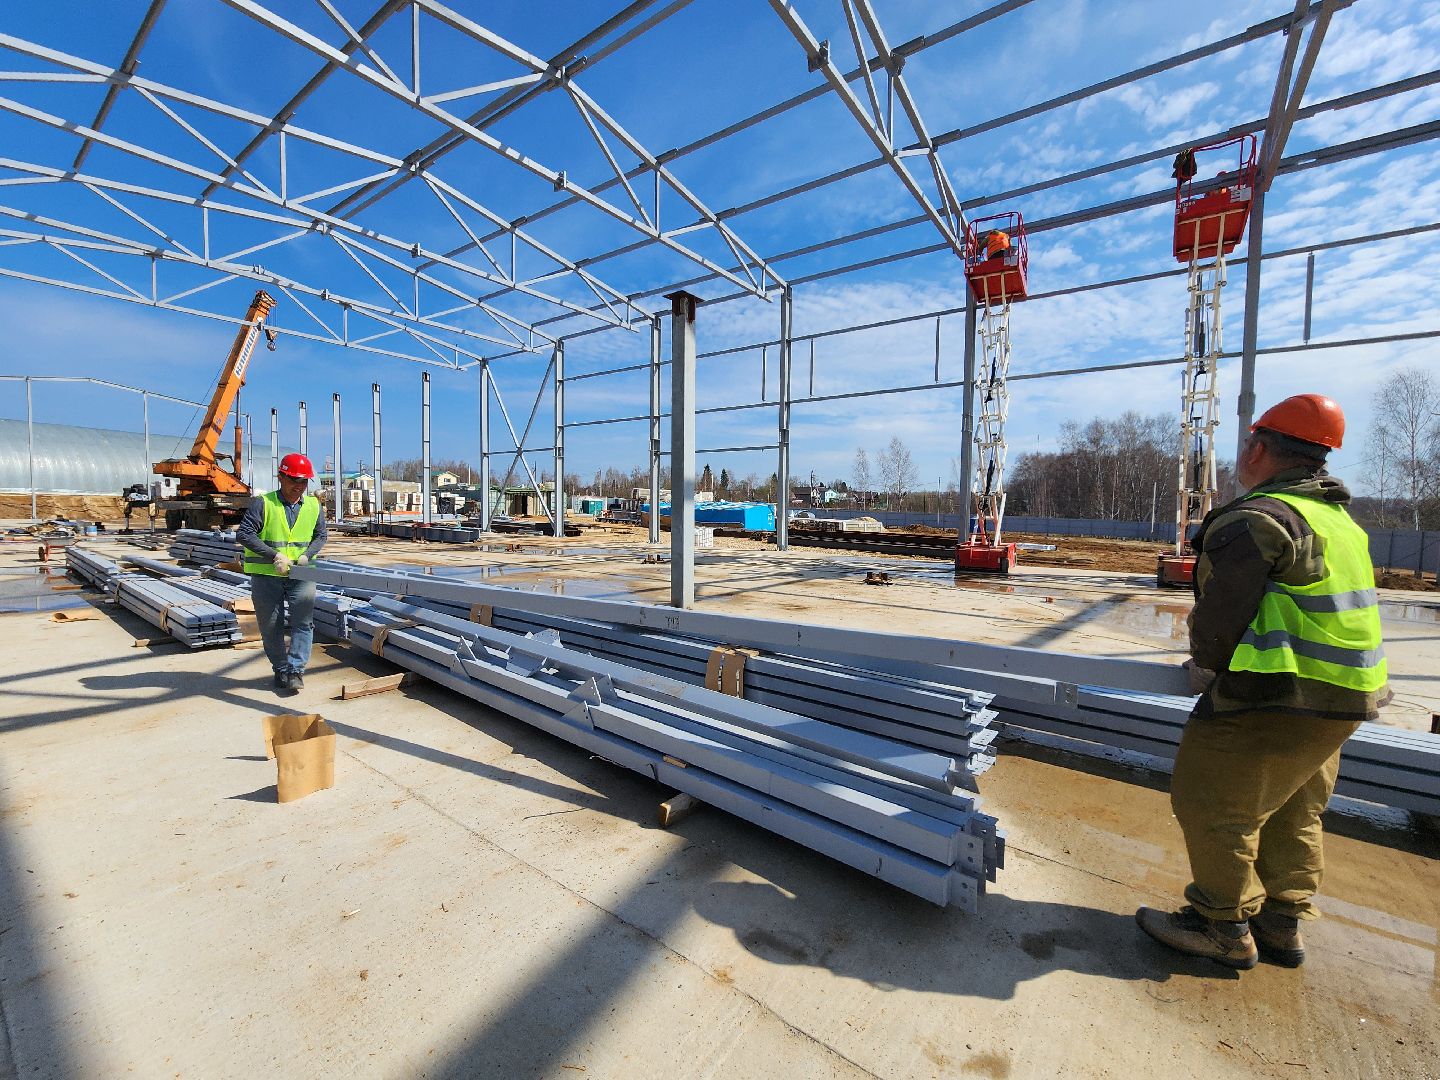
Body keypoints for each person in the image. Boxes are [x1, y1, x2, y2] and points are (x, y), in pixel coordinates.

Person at [1137, 394, 1389, 970]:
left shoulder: (1259, 519)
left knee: (1211, 802)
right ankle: (1282, 921)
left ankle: (1220, 925)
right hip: (1345, 698)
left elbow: (1221, 618)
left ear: (1257, 448)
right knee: (1295, 809)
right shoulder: (1341, 522)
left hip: (1274, 696)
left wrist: (1204, 668)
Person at [237, 453, 327, 693]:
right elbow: (244, 534)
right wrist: (274, 556)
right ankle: (281, 669)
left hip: (302, 575)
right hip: (267, 576)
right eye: (293, 480)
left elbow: (321, 536)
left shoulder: (313, 506)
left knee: (303, 623)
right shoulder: (263, 503)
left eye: (303, 482)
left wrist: (308, 554)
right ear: (281, 477)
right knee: (270, 625)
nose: (298, 487)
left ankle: (296, 670)